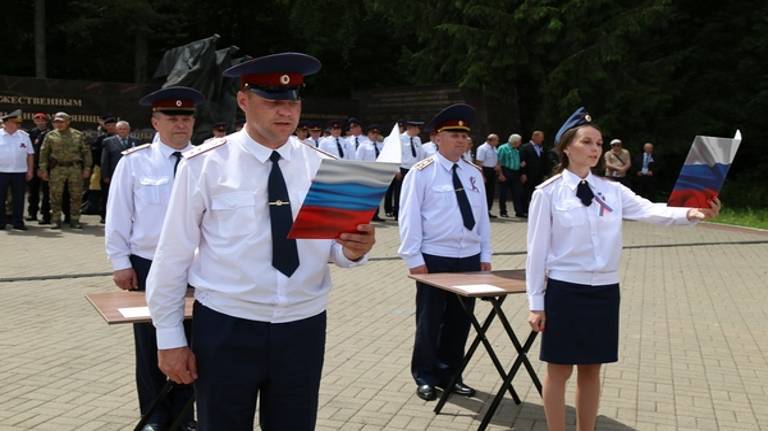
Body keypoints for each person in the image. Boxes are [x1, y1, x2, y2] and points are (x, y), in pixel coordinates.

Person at [145, 52, 376, 431]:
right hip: (227, 326)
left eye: (292, 101)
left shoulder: (326, 166)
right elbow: (172, 256)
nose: (285, 111)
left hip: (302, 326)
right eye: (272, 101)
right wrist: (169, 338)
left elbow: (332, 248)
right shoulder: (205, 164)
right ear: (243, 101)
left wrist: (353, 250)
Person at [525, 107, 721, 431]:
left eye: (598, 143)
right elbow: (536, 252)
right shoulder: (547, 193)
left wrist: (692, 212)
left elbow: (650, 211)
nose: (594, 149)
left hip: (604, 291)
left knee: (592, 370)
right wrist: (536, 303)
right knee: (559, 370)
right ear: (566, 148)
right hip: (565, 291)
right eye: (587, 142)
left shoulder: (612, 190)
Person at [105, 87, 203, 431]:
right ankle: (155, 416)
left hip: (198, 266)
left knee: (195, 343)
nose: (180, 125)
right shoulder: (135, 161)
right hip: (148, 264)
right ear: (155, 121)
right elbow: (118, 213)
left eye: (186, 118)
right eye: (172, 118)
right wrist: (120, 261)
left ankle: (185, 416)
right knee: (151, 343)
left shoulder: (206, 160)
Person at [398, 103, 491, 402]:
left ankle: (451, 373)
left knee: (459, 321)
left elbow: (482, 218)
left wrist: (485, 255)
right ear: (437, 137)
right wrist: (414, 259)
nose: (462, 141)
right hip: (434, 257)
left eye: (465, 136)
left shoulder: (474, 173)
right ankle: (425, 376)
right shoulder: (421, 172)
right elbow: (408, 216)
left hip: (469, 258)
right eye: (454, 134)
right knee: (430, 321)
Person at [39, 112, 91, 229]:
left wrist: (87, 168)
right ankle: (56, 220)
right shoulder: (50, 135)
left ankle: (75, 219)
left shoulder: (78, 135)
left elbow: (86, 153)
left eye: (61, 121)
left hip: (75, 169)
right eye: (56, 122)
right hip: (57, 169)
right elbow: (44, 153)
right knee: (55, 195)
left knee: (76, 195)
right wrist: (43, 169)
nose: (59, 124)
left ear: (68, 121)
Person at [0, 110, 34, 230]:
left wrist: (30, 170)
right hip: (1, 172)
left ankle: (18, 222)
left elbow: (30, 154)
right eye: (12, 122)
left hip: (19, 172)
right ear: (5, 123)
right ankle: (1, 222)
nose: (14, 125)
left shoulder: (24, 136)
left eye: (16, 123)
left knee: (19, 198)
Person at [101, 120, 140, 223]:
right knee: (111, 196)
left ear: (129, 130)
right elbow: (105, 160)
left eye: (125, 129)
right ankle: (107, 217)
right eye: (120, 129)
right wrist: (105, 175)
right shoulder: (108, 141)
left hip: (132, 174)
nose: (122, 131)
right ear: (116, 130)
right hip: (113, 174)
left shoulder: (136, 141)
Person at [355, 124, 385, 222]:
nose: (375, 135)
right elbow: (358, 160)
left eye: (377, 133)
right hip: (367, 172)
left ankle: (375, 214)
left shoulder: (381, 145)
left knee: (376, 195)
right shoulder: (363, 146)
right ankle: (364, 214)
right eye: (373, 133)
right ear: (368, 134)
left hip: (378, 172)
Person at [26, 112, 51, 223]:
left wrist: (44, 168)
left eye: (42, 120)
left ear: (46, 121)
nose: (40, 122)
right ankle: (32, 214)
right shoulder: (30, 133)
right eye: (38, 120)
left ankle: (46, 216)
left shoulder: (50, 134)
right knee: (33, 192)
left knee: (46, 193)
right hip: (33, 166)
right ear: (34, 121)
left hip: (46, 168)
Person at [519, 130, 549, 216]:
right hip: (528, 174)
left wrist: (545, 173)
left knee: (536, 192)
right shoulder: (525, 147)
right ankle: (524, 210)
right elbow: (522, 161)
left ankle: (535, 210)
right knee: (526, 192)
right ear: (534, 137)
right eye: (540, 138)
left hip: (539, 174)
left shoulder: (541, 148)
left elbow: (544, 160)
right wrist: (523, 173)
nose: (542, 140)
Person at [497, 133, 525, 217]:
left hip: (515, 173)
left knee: (517, 193)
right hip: (506, 171)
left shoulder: (516, 150)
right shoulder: (503, 148)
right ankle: (503, 211)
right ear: (515, 141)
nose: (520, 143)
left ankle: (519, 212)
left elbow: (515, 162)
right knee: (503, 193)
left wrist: (521, 165)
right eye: (519, 141)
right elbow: (499, 162)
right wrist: (500, 174)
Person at [475, 133, 503, 218]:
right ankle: (482, 211)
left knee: (491, 192)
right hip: (485, 170)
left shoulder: (494, 148)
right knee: (484, 192)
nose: (497, 142)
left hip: (492, 171)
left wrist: (498, 170)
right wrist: (482, 176)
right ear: (490, 140)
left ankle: (488, 210)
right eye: (496, 140)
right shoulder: (482, 148)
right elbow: (479, 162)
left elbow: (496, 161)